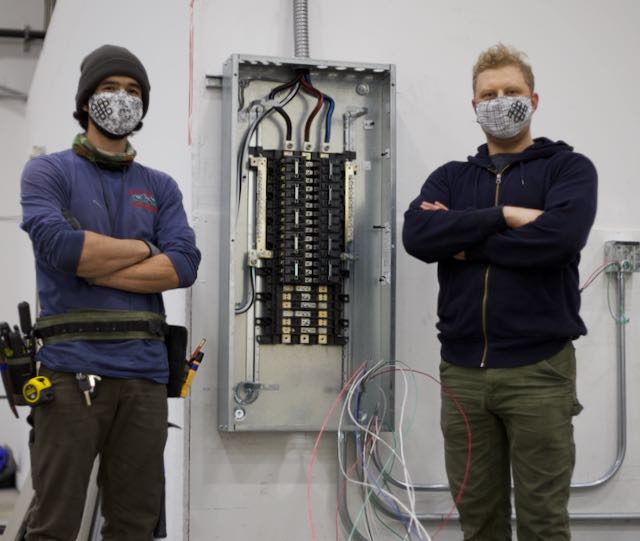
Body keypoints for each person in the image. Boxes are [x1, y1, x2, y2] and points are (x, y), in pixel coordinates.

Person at [402, 44, 597, 540]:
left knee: (543, 521)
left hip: (539, 371)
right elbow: (418, 237)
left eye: (511, 92)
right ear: (473, 106)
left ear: (533, 99)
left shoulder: (567, 170)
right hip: (463, 373)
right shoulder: (451, 177)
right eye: (488, 94)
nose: (500, 100)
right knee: (478, 520)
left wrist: (465, 240)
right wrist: (505, 216)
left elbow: (559, 240)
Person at [20, 44, 201, 540]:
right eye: (109, 89)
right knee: (54, 523)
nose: (121, 99)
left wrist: (95, 268)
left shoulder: (159, 186)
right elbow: (59, 245)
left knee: (136, 525)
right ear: (85, 101)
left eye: (133, 91)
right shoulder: (49, 172)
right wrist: (148, 248)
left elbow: (184, 263)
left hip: (145, 378)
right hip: (69, 375)